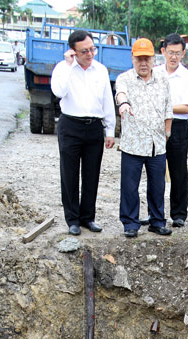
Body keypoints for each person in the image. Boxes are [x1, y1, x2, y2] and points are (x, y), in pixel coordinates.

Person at [51, 30, 115, 236]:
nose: (90, 54)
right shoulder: (62, 69)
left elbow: (107, 100)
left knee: (92, 174)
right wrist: (70, 66)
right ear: (73, 52)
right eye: (84, 51)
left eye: (92, 49)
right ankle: (72, 219)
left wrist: (110, 129)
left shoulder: (101, 70)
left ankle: (88, 217)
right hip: (70, 125)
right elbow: (59, 91)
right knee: (69, 174)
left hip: (94, 126)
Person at [115, 38, 173, 238]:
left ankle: (157, 221)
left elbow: (168, 108)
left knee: (158, 185)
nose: (143, 63)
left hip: (157, 145)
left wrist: (166, 134)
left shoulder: (163, 79)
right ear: (132, 58)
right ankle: (130, 223)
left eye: (147, 58)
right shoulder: (125, 78)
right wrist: (123, 104)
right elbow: (120, 94)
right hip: (133, 144)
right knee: (130, 186)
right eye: (139, 58)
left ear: (153, 59)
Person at [152, 33, 188, 228]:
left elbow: (187, 107)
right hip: (156, 125)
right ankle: (155, 213)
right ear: (163, 51)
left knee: (178, 171)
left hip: (178, 126)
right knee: (155, 170)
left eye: (178, 53)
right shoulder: (154, 72)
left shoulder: (187, 77)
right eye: (170, 52)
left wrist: (164, 107)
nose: (174, 57)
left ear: (183, 53)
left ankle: (178, 214)